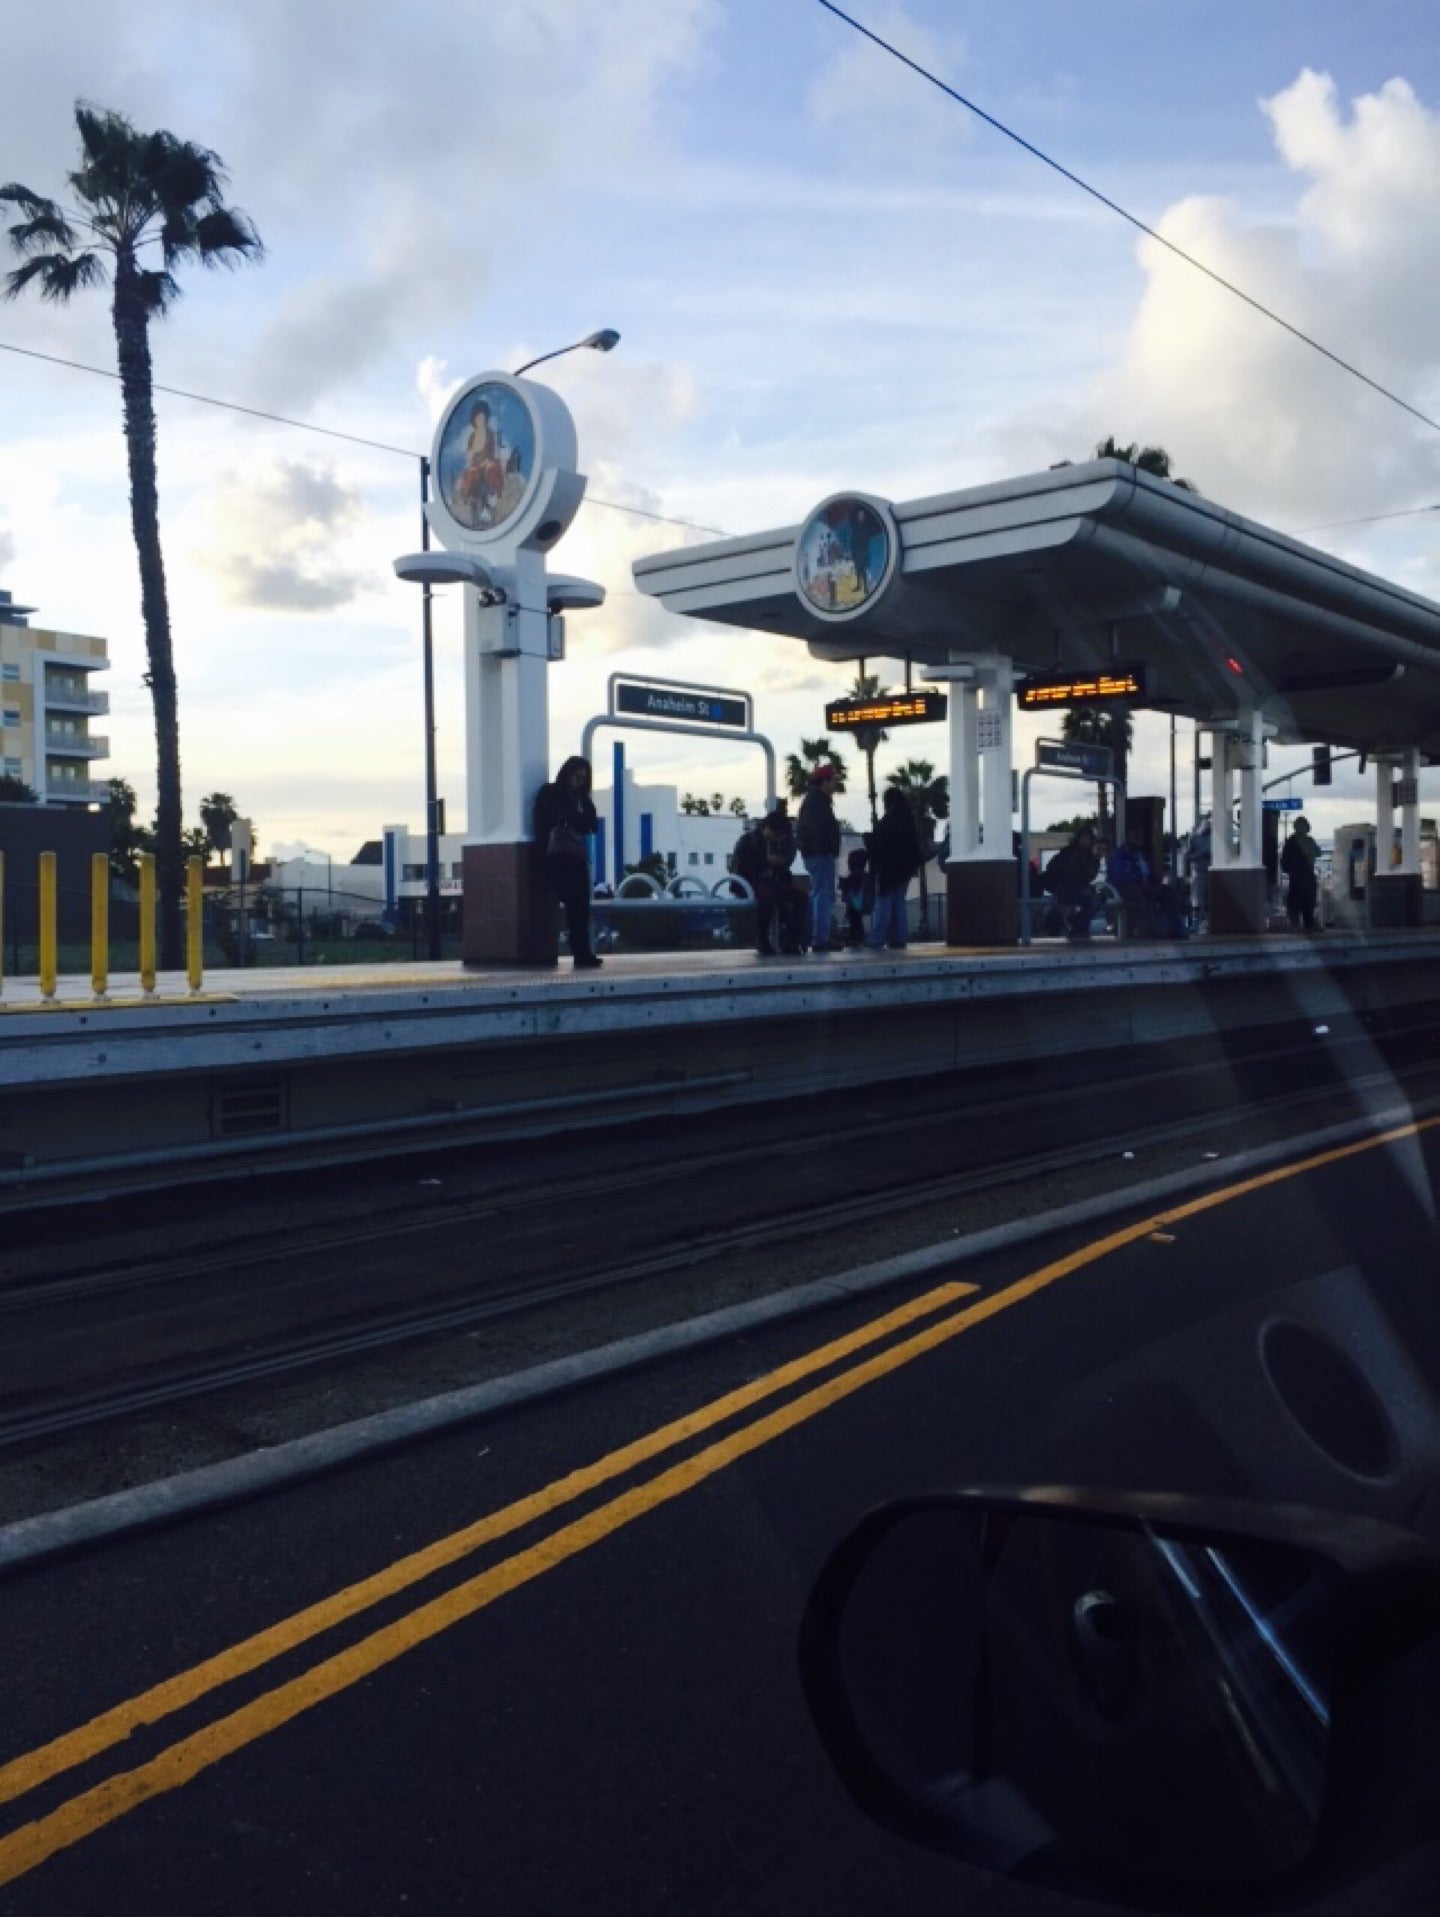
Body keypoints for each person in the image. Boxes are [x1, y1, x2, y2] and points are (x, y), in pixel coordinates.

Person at [534, 756, 601, 968]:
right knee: (573, 903)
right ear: (567, 773)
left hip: (574, 857)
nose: (580, 782)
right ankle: (579, 952)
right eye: (577, 776)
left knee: (581, 906)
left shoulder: (581, 799)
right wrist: (575, 814)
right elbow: (549, 819)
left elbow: (591, 824)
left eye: (583, 778)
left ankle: (582, 952)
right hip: (556, 858)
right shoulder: (551, 792)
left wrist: (578, 811)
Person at [868, 788, 921, 950]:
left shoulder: (887, 822)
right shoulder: (907, 820)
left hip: (887, 870)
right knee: (899, 903)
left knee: (883, 903)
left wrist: (874, 870)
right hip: (903, 870)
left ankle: (877, 938)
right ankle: (899, 938)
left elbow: (877, 847)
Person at [798, 762, 842, 953]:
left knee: (818, 894)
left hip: (815, 854)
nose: (835, 784)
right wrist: (827, 849)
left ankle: (816, 937)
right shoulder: (818, 802)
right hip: (821, 855)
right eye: (833, 780)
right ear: (824, 781)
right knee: (823, 896)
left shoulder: (813, 800)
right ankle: (820, 939)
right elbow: (818, 830)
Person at [1042, 825, 1101, 939]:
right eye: (1083, 838)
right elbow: (1071, 875)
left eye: (1088, 838)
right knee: (1089, 901)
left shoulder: (1088, 856)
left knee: (1094, 900)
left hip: (1070, 889)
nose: (1085, 841)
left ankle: (1077, 927)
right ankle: (1079, 929)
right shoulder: (1071, 854)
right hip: (1065, 888)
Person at [1281, 814, 1321, 931]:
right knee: (1306, 900)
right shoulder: (1306, 840)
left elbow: (1284, 862)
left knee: (1297, 900)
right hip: (1305, 874)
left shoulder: (1291, 841)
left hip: (1298, 875)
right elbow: (1318, 852)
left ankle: (1297, 923)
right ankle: (1307, 923)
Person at [841, 848, 873, 946]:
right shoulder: (866, 876)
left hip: (854, 902)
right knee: (857, 920)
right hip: (862, 901)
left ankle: (855, 937)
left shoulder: (853, 876)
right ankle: (858, 937)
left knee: (855, 919)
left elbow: (846, 888)